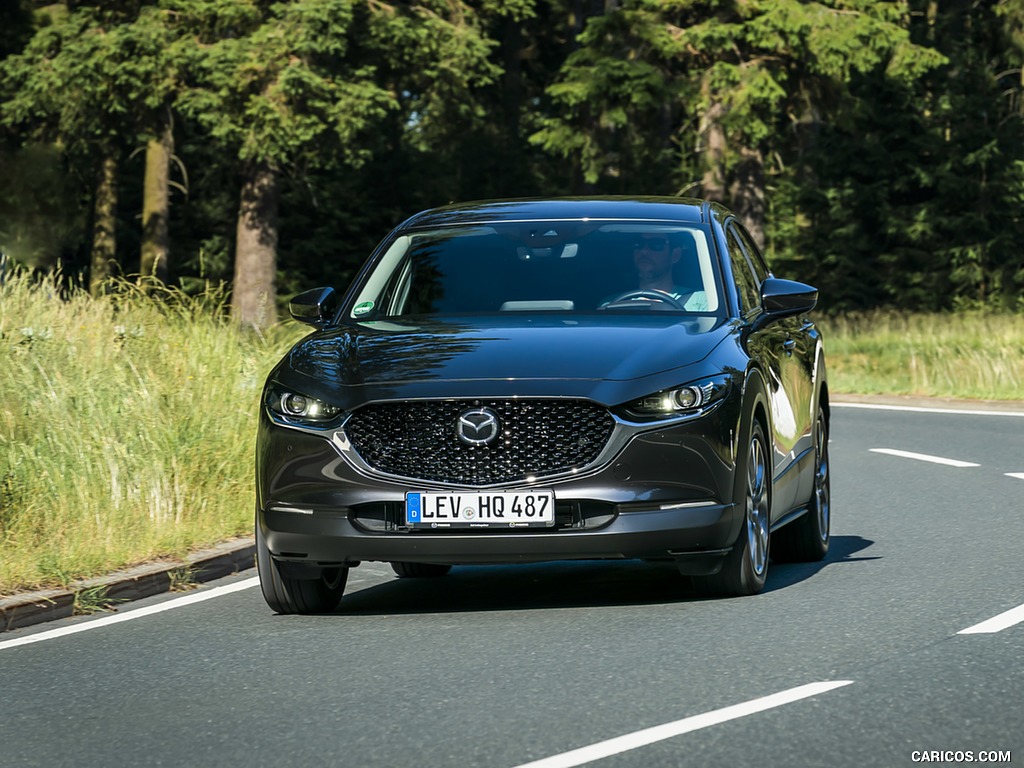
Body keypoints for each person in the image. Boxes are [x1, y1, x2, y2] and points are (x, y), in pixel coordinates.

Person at [628, 233, 709, 311]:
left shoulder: (704, 300)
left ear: (675, 255)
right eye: (638, 243)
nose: (644, 251)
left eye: (656, 244)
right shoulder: (617, 302)